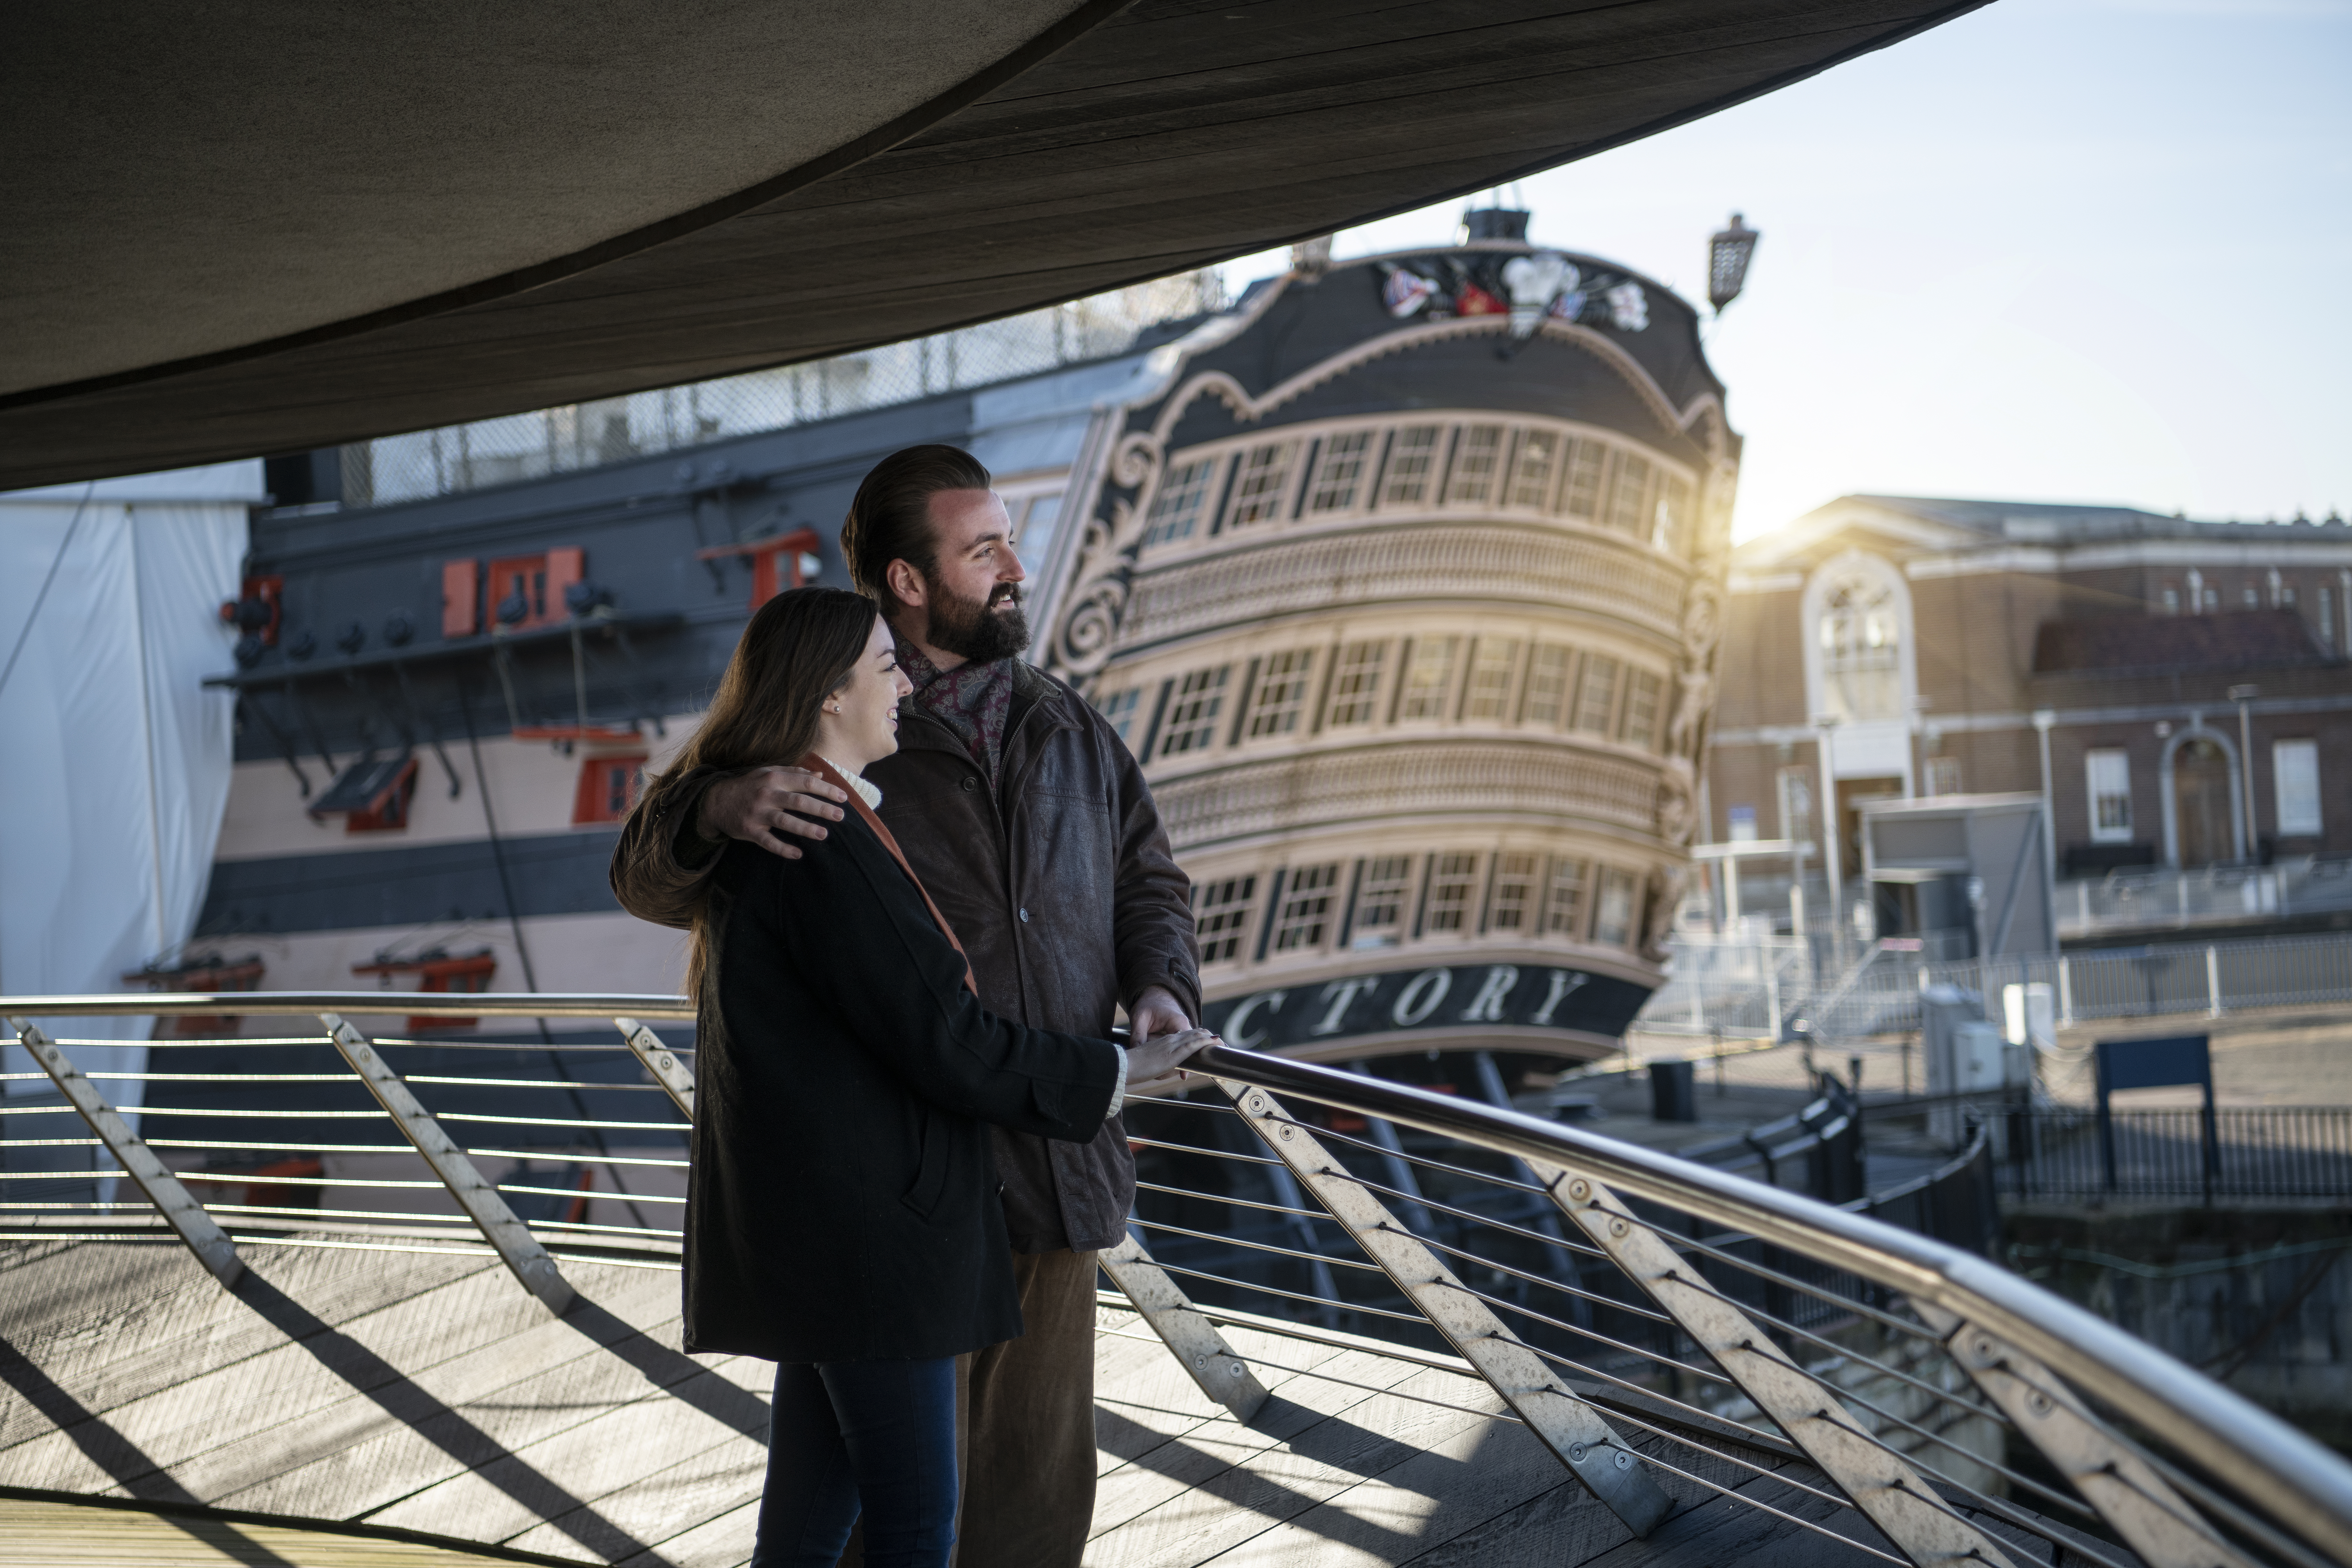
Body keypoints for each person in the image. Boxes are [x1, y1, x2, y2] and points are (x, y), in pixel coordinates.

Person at [613, 445, 1202, 1567]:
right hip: (906, 1202)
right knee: (892, 1520)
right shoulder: (813, 752)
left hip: (1053, 1181)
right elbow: (649, 875)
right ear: (907, 579)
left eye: (1011, 541)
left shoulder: (1067, 726)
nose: (1015, 568)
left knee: (1023, 1520)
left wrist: (1163, 986)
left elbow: (1150, 882)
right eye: (984, 550)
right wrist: (708, 802)